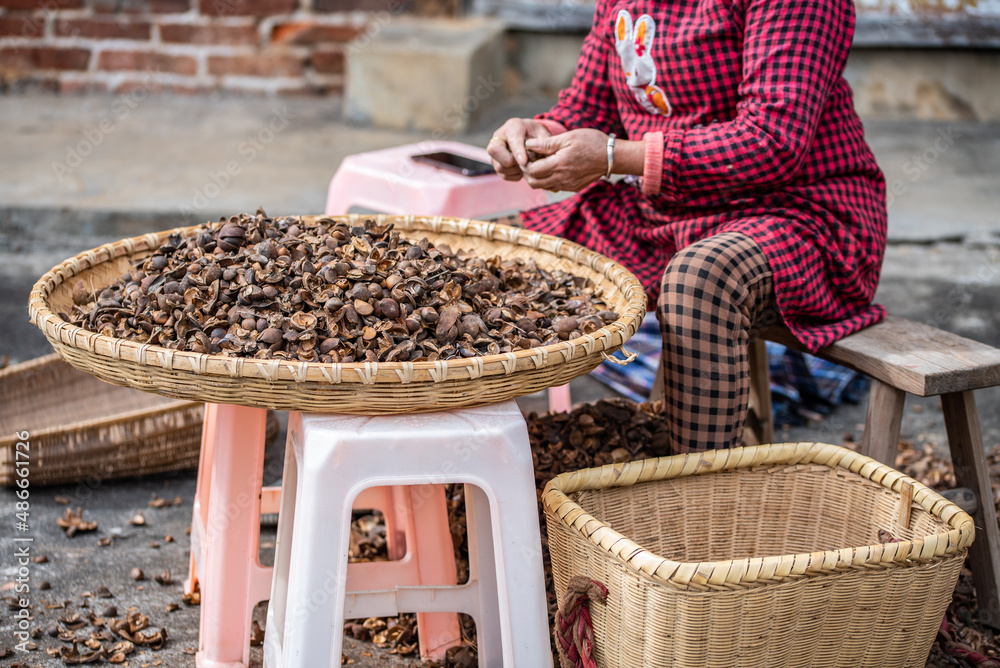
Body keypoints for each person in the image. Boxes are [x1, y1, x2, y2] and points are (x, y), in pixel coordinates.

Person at [487, 0, 887, 454]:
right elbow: (589, 106)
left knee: (698, 281)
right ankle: (488, 481)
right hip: (666, 214)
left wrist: (617, 156)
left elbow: (771, 140)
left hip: (799, 214)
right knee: (500, 255)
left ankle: (697, 507)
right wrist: (538, 134)